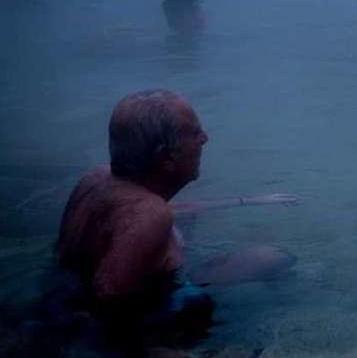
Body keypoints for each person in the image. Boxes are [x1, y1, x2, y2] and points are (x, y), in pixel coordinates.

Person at [54, 89, 297, 345]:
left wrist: (248, 201)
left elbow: (165, 211)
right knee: (272, 258)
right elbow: (108, 301)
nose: (204, 139)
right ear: (166, 157)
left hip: (64, 296)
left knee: (188, 224)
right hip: (139, 321)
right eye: (194, 134)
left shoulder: (97, 178)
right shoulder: (148, 216)